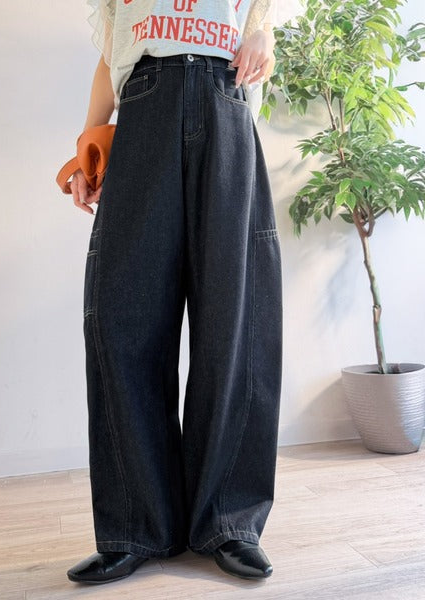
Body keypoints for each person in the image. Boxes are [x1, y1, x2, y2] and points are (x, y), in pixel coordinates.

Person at [65, 0, 283, 585]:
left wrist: (263, 35)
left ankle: (228, 522)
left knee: (233, 323)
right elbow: (111, 56)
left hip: (224, 103)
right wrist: (88, 144)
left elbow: (262, 22)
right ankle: (135, 528)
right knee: (123, 317)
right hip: (144, 109)